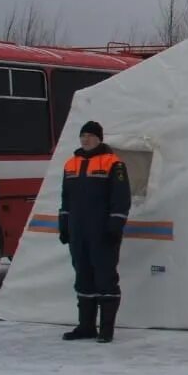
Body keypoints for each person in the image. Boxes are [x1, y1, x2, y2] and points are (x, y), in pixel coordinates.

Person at [58, 121, 130, 342]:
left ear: (99, 138)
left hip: (102, 231)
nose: (85, 139)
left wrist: (114, 227)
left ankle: (106, 329)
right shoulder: (71, 164)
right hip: (78, 232)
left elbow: (121, 199)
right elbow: (65, 199)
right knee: (83, 276)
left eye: (89, 136)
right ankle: (86, 326)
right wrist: (64, 225)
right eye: (82, 136)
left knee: (105, 277)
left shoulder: (113, 164)